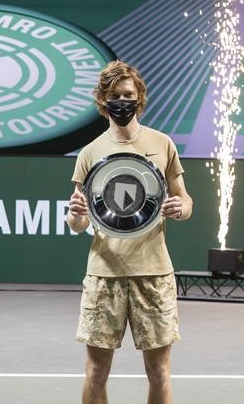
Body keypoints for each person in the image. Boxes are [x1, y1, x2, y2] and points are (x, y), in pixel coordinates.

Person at [66, 60, 193, 404]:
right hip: (104, 275)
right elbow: (78, 222)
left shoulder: (162, 143)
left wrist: (181, 209)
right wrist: (75, 215)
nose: (123, 100)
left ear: (139, 99)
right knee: (95, 372)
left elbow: (184, 200)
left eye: (129, 95)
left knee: (159, 371)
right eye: (115, 95)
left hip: (153, 274)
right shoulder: (91, 152)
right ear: (103, 101)